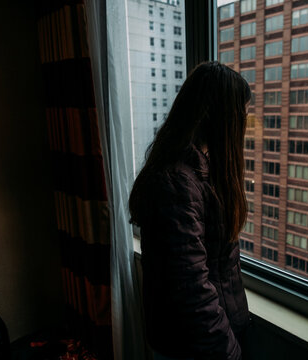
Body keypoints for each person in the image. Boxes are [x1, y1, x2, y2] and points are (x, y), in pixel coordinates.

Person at [129, 62, 251, 360]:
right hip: (193, 347)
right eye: (243, 114)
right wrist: (229, 352)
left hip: (206, 339)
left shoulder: (202, 173)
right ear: (222, 118)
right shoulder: (177, 184)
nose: (247, 122)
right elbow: (191, 290)